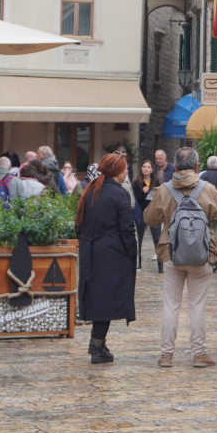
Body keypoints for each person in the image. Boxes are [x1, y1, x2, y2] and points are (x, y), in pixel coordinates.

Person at [144, 147, 217, 369]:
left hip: (171, 253)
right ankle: (199, 353)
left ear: (174, 165)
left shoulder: (164, 190)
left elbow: (150, 219)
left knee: (171, 305)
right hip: (202, 254)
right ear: (196, 166)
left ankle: (166, 355)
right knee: (197, 305)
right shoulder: (207, 189)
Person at [75, 152, 137, 364]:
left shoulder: (91, 189)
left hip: (91, 251)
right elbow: (127, 228)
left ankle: (97, 343)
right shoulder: (118, 194)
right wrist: (132, 252)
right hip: (110, 253)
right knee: (106, 299)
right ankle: (97, 345)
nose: (127, 171)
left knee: (99, 298)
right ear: (117, 172)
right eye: (125, 168)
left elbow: (78, 224)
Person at [132, 159, 156, 270]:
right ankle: (138, 263)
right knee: (139, 238)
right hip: (141, 212)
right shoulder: (136, 183)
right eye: (144, 166)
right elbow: (135, 198)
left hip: (153, 212)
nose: (146, 169)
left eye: (148, 167)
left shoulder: (155, 182)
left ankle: (160, 265)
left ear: (152, 170)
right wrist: (143, 192)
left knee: (157, 237)